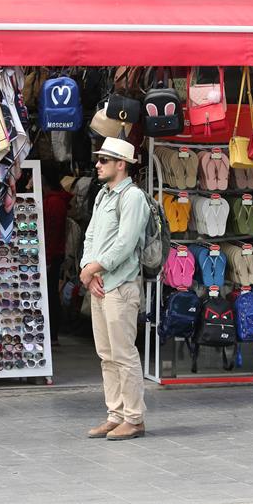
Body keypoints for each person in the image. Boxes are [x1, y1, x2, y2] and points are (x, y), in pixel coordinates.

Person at [80, 137, 150, 441]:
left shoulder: (132, 197)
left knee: (123, 354)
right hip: (101, 284)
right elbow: (91, 235)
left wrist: (94, 268)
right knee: (106, 354)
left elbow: (126, 242)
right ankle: (116, 414)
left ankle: (133, 417)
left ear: (121, 164)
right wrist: (87, 270)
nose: (97, 165)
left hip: (120, 286)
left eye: (104, 160)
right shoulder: (102, 196)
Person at [41, 165, 72, 346]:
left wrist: (48, 257)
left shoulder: (53, 202)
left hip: (52, 253)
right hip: (53, 252)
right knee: (51, 292)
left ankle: (52, 334)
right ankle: (51, 333)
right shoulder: (54, 200)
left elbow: (52, 231)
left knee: (51, 293)